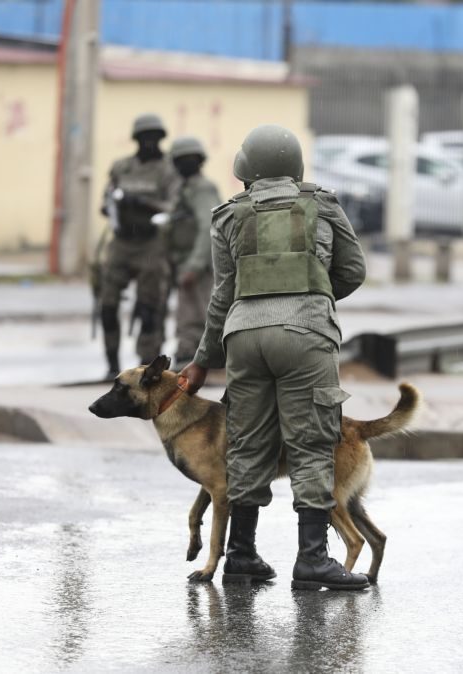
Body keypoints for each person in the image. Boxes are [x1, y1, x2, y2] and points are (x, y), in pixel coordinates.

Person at [180, 125, 369, 591]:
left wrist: (203, 360)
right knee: (310, 444)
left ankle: (241, 555)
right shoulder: (322, 203)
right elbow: (353, 270)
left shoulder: (228, 215)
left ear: (249, 170)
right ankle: (311, 560)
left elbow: (222, 295)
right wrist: (316, 297)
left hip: (243, 338)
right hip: (306, 334)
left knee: (246, 443)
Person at [99, 113, 180, 379]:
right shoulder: (122, 167)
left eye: (153, 138)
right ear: (136, 139)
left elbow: (173, 206)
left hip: (151, 243)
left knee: (149, 307)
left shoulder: (168, 170)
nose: (148, 142)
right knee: (107, 304)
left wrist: (144, 204)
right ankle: (111, 363)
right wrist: (115, 204)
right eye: (144, 137)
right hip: (122, 241)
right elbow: (106, 200)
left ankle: (146, 366)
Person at [165, 136, 221, 369]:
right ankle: (190, 353)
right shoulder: (184, 188)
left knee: (195, 313)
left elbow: (208, 226)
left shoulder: (202, 188)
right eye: (181, 159)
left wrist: (194, 265)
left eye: (190, 159)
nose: (185, 164)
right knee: (189, 311)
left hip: (199, 265)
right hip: (184, 260)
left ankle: (192, 355)